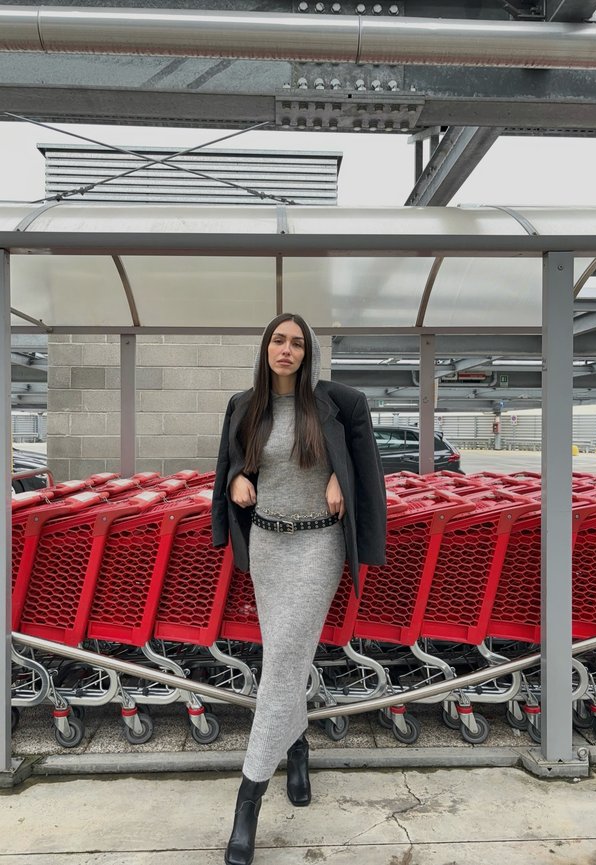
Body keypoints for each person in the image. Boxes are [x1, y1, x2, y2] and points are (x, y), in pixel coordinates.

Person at [212, 312, 387, 865]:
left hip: (317, 547)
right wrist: (239, 478)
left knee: (284, 657)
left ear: (308, 351)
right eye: (277, 340)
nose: (286, 349)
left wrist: (340, 474)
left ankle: (248, 801)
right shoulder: (246, 405)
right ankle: (299, 746)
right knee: (285, 657)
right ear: (266, 348)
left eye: (296, 342)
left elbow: (367, 467)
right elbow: (229, 466)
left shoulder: (338, 402)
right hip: (268, 544)